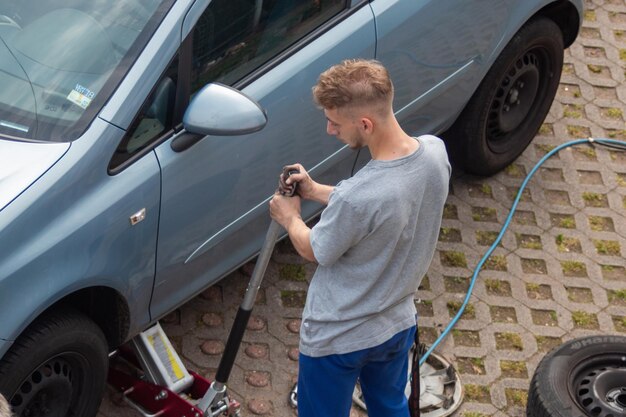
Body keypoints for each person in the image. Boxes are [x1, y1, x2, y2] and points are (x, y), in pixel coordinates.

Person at [269, 59, 450, 417]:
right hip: (396, 325)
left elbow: (314, 248)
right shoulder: (434, 152)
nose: (329, 130)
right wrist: (316, 189)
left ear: (365, 124)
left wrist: (290, 218)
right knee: (390, 406)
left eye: (335, 122)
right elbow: (379, 207)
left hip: (338, 340)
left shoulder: (359, 196)